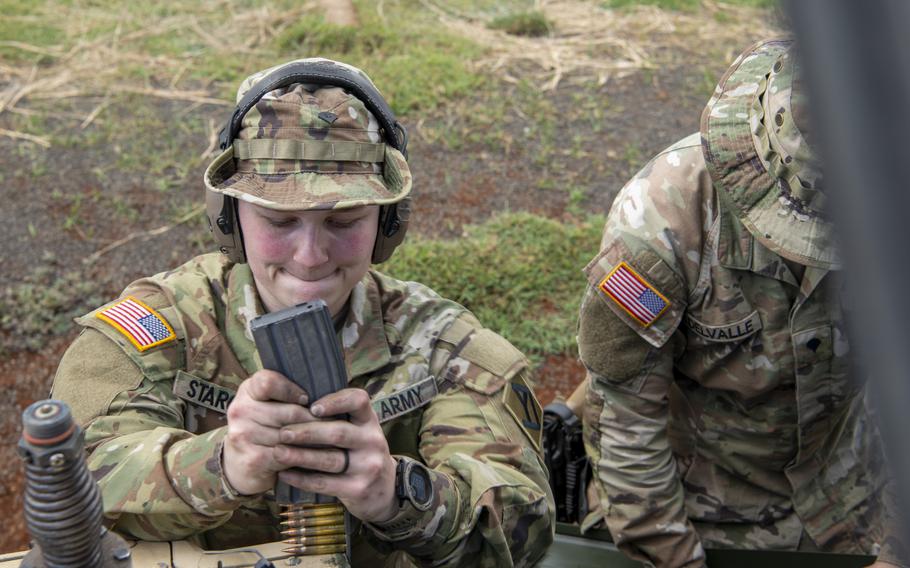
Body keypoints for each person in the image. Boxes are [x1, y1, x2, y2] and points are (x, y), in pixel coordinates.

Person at [50, 58, 554, 567]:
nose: (310, 256)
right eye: (280, 220)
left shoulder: (445, 348)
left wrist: (398, 493)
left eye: (344, 221)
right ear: (229, 219)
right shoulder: (162, 328)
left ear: (387, 225)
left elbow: (522, 528)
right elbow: (76, 482)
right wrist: (221, 464)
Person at [577, 39, 905, 567]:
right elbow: (624, 421)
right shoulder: (661, 224)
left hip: (858, 498)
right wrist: (676, 557)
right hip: (705, 515)